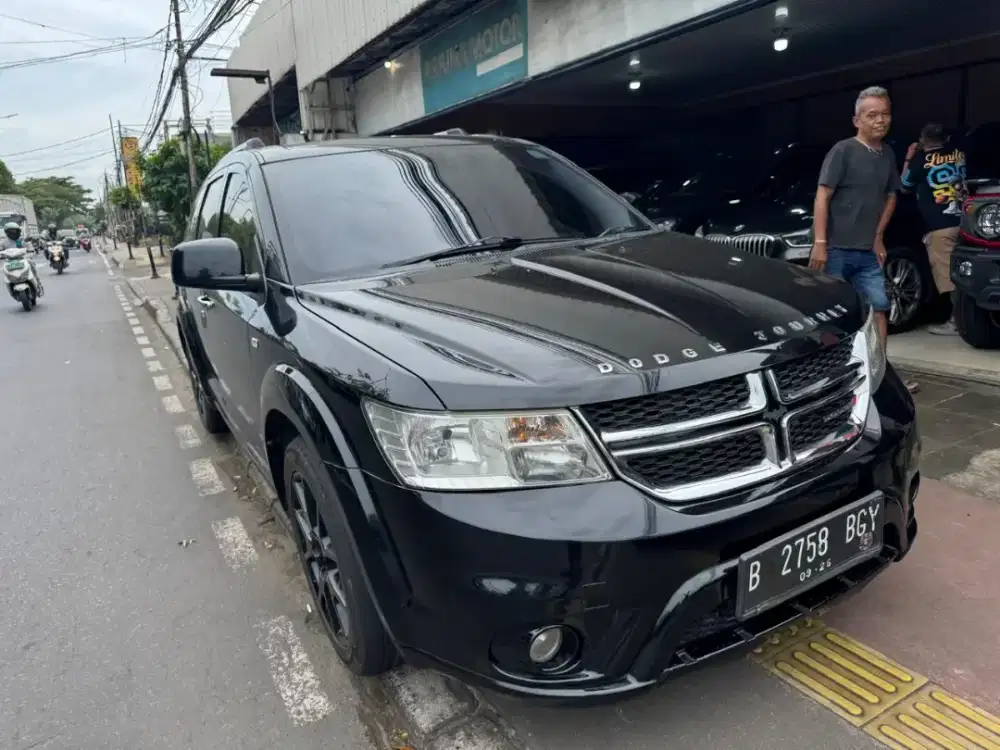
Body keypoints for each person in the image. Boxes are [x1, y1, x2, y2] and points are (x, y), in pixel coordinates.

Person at [808, 85, 919, 394]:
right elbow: (823, 194)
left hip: (867, 252)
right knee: (833, 317)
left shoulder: (887, 155)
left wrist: (878, 237)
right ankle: (830, 382)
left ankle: (880, 375)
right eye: (872, 115)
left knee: (879, 309)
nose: (879, 121)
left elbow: (891, 198)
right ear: (857, 120)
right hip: (834, 250)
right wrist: (820, 242)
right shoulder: (843, 150)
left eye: (885, 114)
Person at [900, 123, 967, 336]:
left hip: (939, 226)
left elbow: (904, 185)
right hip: (964, 221)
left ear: (922, 139)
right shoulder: (959, 154)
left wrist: (909, 156)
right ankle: (970, 318)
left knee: (948, 276)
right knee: (964, 272)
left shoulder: (920, 160)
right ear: (945, 139)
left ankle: (957, 323)